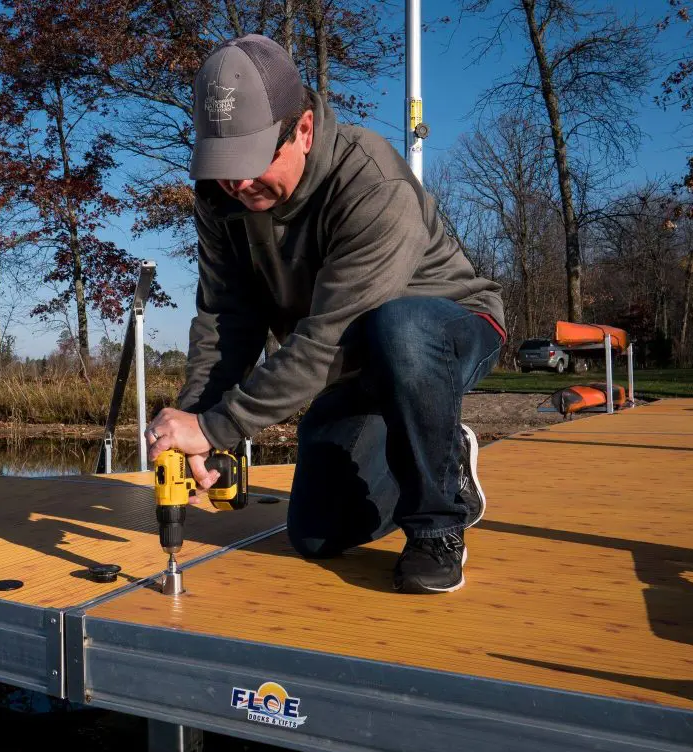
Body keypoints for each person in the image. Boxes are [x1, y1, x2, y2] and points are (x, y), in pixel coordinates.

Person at [143, 34, 505, 594]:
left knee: (400, 329)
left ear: (304, 130)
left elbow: (328, 336)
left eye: (250, 162)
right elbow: (226, 316)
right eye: (222, 166)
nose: (236, 183)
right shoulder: (222, 199)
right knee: (316, 532)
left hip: (445, 328)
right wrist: (196, 423)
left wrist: (221, 424)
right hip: (357, 361)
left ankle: (437, 523)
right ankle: (440, 448)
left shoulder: (369, 181)